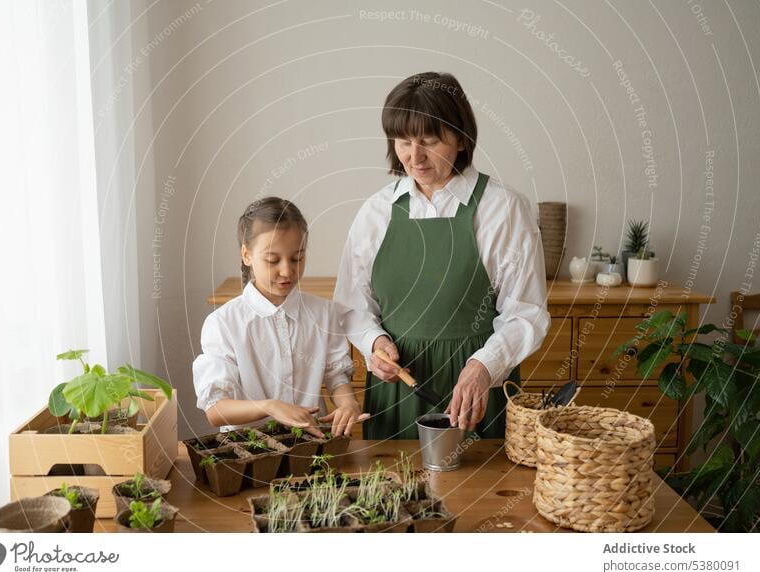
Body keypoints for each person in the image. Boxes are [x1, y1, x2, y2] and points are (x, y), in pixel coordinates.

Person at [335, 72, 550, 439]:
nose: (414, 156)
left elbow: (526, 314)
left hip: (476, 391)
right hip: (397, 393)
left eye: (428, 140)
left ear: (460, 138)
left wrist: (484, 366)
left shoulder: (504, 208)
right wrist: (375, 343)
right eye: (403, 141)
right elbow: (352, 307)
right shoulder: (376, 211)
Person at [193, 196, 369, 437]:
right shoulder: (223, 323)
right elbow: (215, 410)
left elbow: (336, 376)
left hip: (312, 447)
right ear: (246, 255)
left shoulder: (322, 313)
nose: (287, 271)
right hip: (249, 452)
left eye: (297, 258)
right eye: (272, 260)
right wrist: (270, 406)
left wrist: (348, 404)